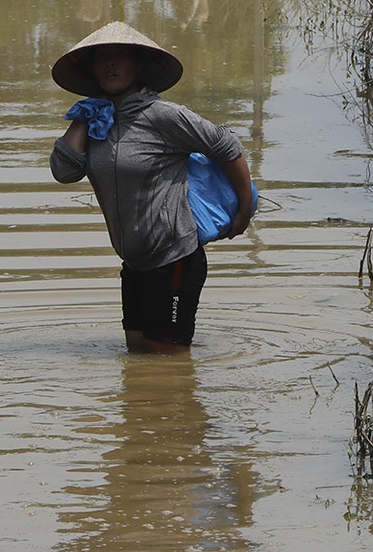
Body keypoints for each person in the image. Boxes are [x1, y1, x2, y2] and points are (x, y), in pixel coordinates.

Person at [49, 21, 254, 354]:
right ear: (92, 69)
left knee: (169, 364)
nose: (111, 64)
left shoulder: (163, 116)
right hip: (134, 261)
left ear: (139, 66)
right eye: (102, 58)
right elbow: (64, 170)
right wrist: (84, 117)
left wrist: (244, 210)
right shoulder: (98, 122)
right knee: (139, 356)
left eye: (120, 56)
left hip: (173, 257)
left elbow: (227, 145)